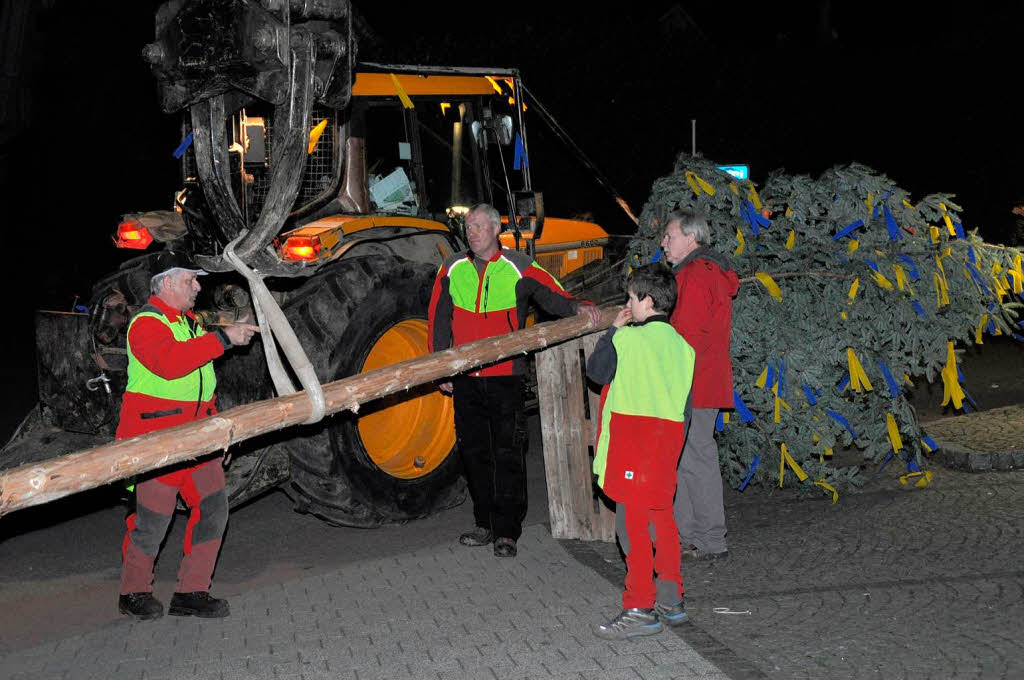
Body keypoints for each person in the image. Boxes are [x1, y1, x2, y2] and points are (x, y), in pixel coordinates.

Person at [428, 203, 601, 558]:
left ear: (494, 229)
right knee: (474, 453)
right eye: (468, 226)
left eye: (477, 226)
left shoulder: (519, 266)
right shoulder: (451, 267)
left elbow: (554, 295)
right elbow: (438, 317)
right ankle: (484, 523)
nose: (471, 231)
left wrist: (578, 306)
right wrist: (440, 367)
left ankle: (507, 531)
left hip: (506, 378)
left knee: (507, 453)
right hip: (465, 378)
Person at [117, 251, 259, 620]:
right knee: (151, 522)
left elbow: (203, 388)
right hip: (158, 442)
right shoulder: (146, 324)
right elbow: (170, 365)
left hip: (198, 441)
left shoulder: (189, 322)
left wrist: (218, 435)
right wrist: (223, 339)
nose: (198, 286)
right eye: (190, 281)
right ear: (166, 283)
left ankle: (192, 592)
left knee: (213, 511)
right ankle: (133, 592)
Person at [587, 264, 695, 639]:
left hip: (635, 444)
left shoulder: (628, 340)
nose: (627, 305)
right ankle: (671, 598)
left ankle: (639, 607)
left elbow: (596, 372)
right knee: (662, 522)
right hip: (666, 446)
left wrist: (613, 330)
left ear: (647, 301)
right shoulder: (684, 348)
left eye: (631, 298)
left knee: (631, 528)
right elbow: (687, 408)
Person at [660, 209, 739, 560]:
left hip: (692, 382)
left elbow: (684, 337)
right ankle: (690, 535)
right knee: (689, 457)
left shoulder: (693, 275)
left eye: (670, 236)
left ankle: (708, 539)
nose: (664, 242)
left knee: (695, 458)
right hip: (702, 380)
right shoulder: (708, 272)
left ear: (691, 238)